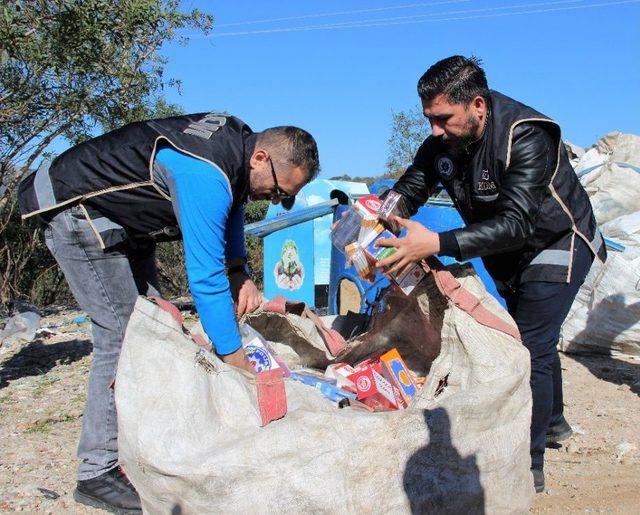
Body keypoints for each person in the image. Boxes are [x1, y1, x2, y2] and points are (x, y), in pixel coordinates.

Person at [18, 113, 320, 512]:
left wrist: (240, 272)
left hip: (124, 222)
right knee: (125, 336)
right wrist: (235, 360)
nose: (279, 200)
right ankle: (97, 471)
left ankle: (142, 445)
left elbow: (233, 212)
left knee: (157, 328)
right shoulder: (207, 175)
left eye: (288, 198)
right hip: (79, 211)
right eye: (281, 190)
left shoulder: (237, 152)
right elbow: (205, 279)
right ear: (260, 159)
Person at [376, 56, 605, 493]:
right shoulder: (442, 143)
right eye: (428, 119)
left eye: (443, 119)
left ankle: (529, 462)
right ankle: (554, 423)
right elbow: (409, 189)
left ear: (478, 105)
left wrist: (436, 244)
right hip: (507, 251)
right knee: (531, 334)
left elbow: (518, 222)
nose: (434, 131)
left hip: (557, 242)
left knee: (531, 346)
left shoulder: (527, 135)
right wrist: (380, 216)